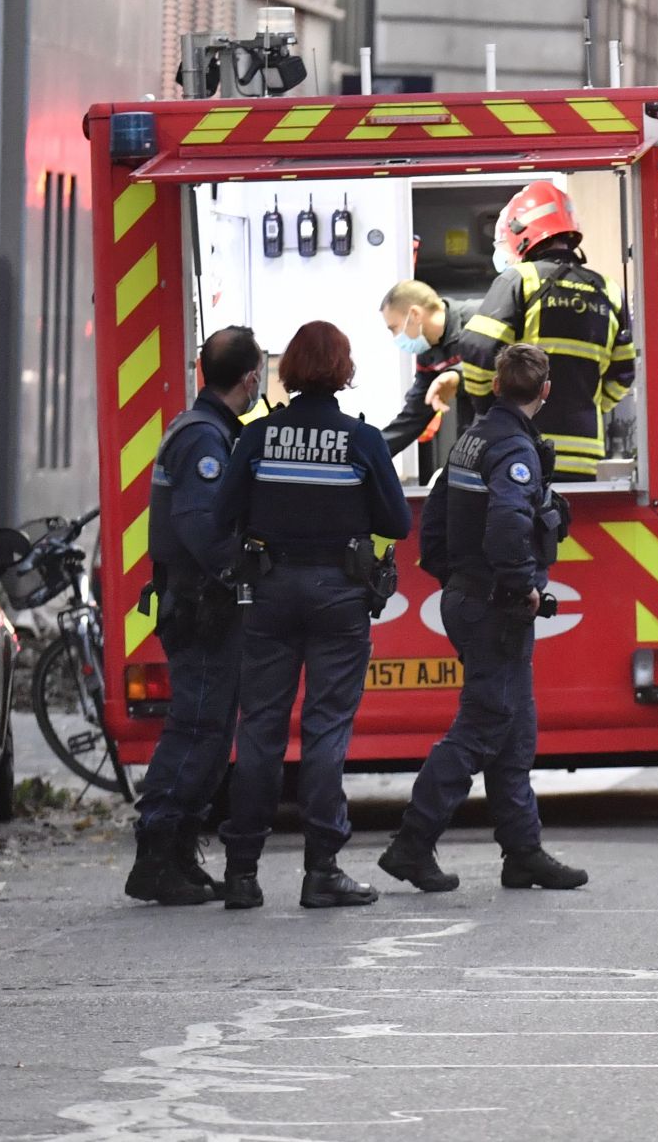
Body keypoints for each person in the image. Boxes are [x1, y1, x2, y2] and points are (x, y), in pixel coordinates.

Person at [215, 321, 413, 910]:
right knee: (327, 727)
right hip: (338, 594)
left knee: (260, 729)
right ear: (343, 369)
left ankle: (242, 873)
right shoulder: (362, 440)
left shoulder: (257, 437)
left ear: (289, 368)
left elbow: (225, 510)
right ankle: (322, 871)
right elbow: (398, 524)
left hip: (269, 590)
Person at [379, 344, 588, 894]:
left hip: (470, 598)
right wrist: (519, 586)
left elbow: (436, 516)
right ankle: (412, 844)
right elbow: (506, 525)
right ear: (544, 392)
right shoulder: (514, 448)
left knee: (514, 729)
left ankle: (523, 853)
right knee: (481, 727)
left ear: (496, 386)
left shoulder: (470, 439)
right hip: (495, 605)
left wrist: (455, 579)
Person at [125, 326, 265, 907]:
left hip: (200, 604)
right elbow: (203, 529)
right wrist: (245, 570)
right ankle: (157, 852)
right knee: (197, 726)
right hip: (201, 607)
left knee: (208, 729)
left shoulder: (207, 431)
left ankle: (178, 851)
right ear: (251, 379)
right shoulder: (204, 439)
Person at [457, 182, 636, 480]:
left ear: (520, 233)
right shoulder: (608, 290)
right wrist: (589, 405)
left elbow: (477, 347)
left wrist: (489, 408)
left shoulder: (520, 280)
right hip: (584, 456)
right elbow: (624, 373)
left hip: (522, 449)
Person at [378, 280, 477, 459]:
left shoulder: (480, 317)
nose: (395, 337)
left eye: (394, 328)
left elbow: (502, 361)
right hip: (473, 439)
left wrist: (457, 375)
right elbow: (415, 414)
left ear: (414, 314)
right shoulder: (428, 351)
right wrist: (369, 451)